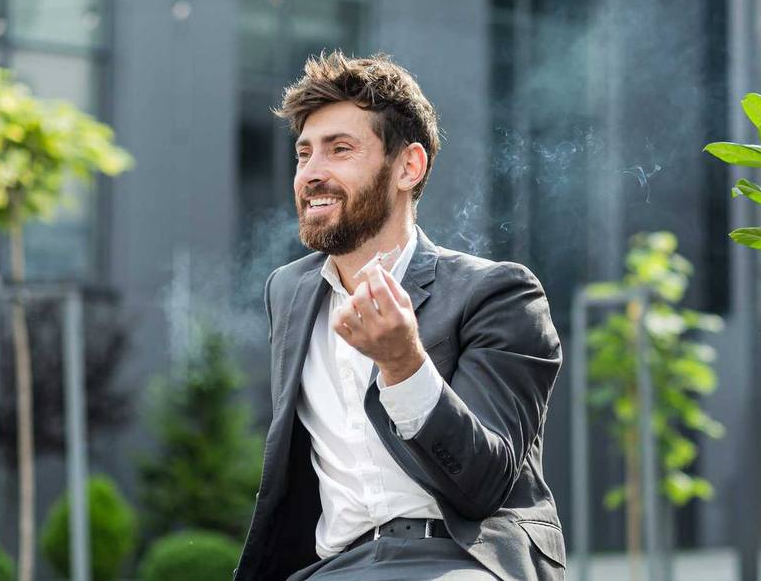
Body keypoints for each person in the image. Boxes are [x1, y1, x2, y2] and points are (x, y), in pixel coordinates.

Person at [233, 51, 565, 580]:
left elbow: (485, 484)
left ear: (408, 167)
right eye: (303, 155)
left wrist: (404, 365)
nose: (312, 174)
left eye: (340, 150)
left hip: (460, 558)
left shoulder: (498, 294)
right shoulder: (288, 291)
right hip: (335, 566)